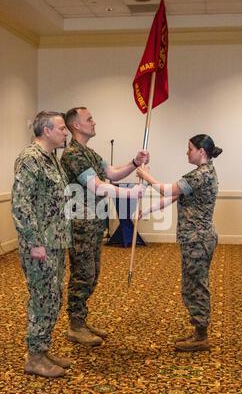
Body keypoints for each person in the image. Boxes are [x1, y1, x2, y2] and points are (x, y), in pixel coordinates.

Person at [61, 107, 149, 346]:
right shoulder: (72, 155)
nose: (94, 122)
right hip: (80, 225)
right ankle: (75, 325)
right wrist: (131, 194)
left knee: (93, 274)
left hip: (94, 225)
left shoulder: (89, 153)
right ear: (76, 125)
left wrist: (134, 162)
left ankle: (81, 319)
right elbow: (98, 186)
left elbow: (111, 173)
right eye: (89, 119)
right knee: (82, 275)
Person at [137, 134, 223, 352]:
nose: (187, 152)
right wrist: (145, 211)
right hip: (197, 239)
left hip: (198, 240)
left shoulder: (200, 174)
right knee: (192, 284)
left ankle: (201, 335)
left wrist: (146, 175)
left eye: (190, 148)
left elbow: (169, 190)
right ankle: (198, 330)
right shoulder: (202, 173)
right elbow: (173, 197)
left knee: (195, 286)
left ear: (201, 152)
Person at [12, 111, 72, 377]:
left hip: (56, 240)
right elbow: (21, 205)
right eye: (61, 128)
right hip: (40, 244)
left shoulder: (52, 159)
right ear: (46, 130)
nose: (65, 132)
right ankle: (34, 357)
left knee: (53, 297)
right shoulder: (29, 159)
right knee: (42, 298)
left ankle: (43, 348)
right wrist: (35, 243)